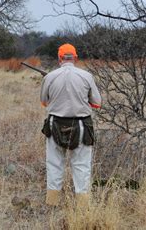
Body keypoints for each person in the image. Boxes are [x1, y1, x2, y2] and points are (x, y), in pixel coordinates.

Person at [40, 43, 102, 208]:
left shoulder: (50, 77)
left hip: (54, 125)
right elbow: (97, 103)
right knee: (81, 167)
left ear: (59, 58)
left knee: (54, 165)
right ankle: (82, 206)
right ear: (75, 58)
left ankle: (52, 204)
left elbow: (44, 102)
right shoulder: (86, 76)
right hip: (82, 126)